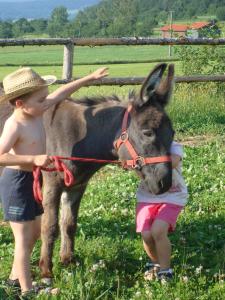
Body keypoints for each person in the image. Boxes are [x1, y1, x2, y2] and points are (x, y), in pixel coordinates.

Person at [0, 66, 108, 296]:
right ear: (20, 104)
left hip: (32, 180)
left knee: (36, 231)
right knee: (22, 237)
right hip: (16, 182)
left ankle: (14, 279)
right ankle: (28, 291)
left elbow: (60, 94)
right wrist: (33, 158)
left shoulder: (35, 111)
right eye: (41, 100)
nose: (47, 103)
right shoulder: (15, 124)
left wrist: (89, 78)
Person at [136, 141, 188, 281]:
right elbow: (138, 171)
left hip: (172, 196)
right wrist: (133, 164)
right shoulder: (140, 147)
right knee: (146, 234)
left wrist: (145, 161)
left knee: (158, 231)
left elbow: (172, 162)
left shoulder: (173, 146)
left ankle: (165, 271)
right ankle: (155, 263)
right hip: (147, 197)